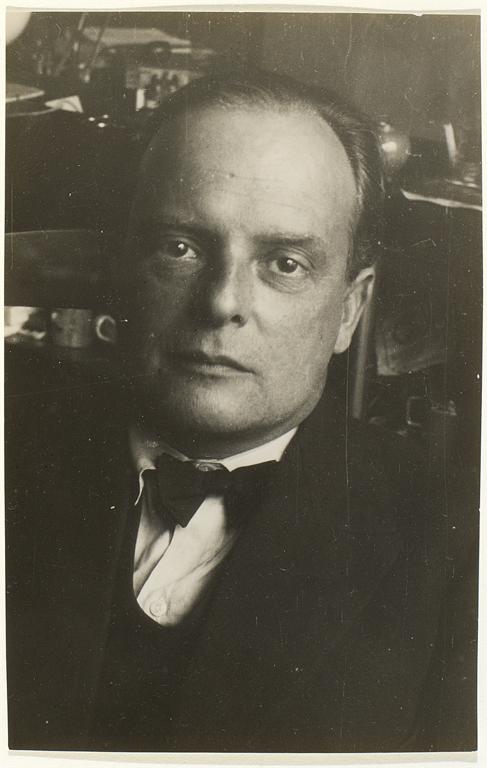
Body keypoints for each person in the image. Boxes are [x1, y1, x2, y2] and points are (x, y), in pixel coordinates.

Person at [5, 70, 477, 753]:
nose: (221, 301)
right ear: (121, 266)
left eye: (284, 263)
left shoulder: (456, 547)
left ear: (349, 310)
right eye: (180, 247)